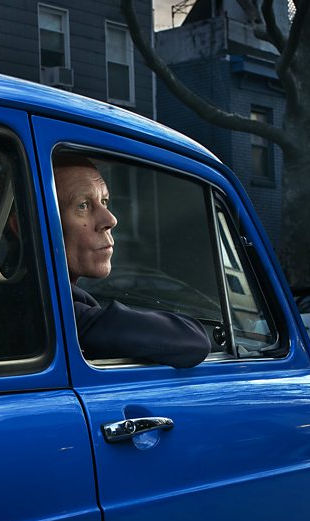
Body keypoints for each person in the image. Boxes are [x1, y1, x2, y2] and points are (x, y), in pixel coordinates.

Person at [52, 153, 210, 368]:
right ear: (23, 225)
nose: (110, 219)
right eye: (83, 205)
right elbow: (194, 340)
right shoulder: (61, 317)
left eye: (104, 201)